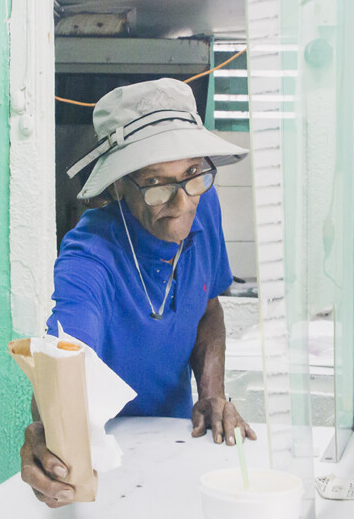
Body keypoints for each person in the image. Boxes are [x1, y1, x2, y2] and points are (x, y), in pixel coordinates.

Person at [20, 78, 258, 508]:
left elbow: (206, 308)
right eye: (155, 183)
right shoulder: (90, 253)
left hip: (180, 442)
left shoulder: (205, 202)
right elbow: (62, 358)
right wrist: (49, 434)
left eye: (191, 174)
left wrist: (211, 395)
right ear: (118, 187)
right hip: (104, 461)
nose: (182, 201)